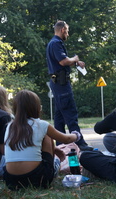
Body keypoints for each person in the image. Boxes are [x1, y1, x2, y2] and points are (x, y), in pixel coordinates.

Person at [3, 90, 81, 190]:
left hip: (11, 181)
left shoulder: (9, 126)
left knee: (42, 135)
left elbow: (27, 145)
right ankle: (56, 165)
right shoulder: (41, 124)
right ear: (36, 107)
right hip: (37, 179)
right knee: (48, 135)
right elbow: (67, 139)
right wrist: (76, 135)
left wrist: (56, 149)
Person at [46, 20, 92, 151]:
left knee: (59, 116)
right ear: (62, 30)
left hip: (57, 84)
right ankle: (80, 143)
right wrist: (75, 59)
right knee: (71, 113)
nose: (68, 33)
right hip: (62, 85)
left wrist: (76, 63)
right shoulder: (56, 43)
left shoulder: (52, 43)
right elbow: (63, 61)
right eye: (67, 30)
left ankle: (60, 146)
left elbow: (62, 62)